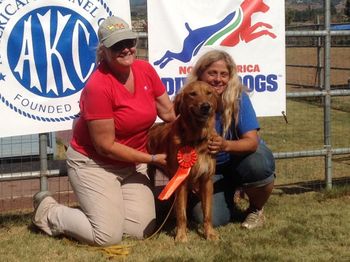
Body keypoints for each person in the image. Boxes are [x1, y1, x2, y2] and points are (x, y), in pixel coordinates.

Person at [32, 16, 176, 246]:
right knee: (107, 237)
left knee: (140, 230)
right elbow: (105, 146)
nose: (126, 49)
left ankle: (103, 211)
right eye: (117, 45)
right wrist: (151, 158)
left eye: (130, 41)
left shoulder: (146, 69)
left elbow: (169, 114)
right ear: (104, 50)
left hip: (130, 165)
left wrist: (200, 113)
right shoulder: (98, 87)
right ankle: (48, 211)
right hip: (94, 163)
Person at [186, 49, 275, 229]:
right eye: (212, 73)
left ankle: (256, 209)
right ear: (200, 74)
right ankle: (229, 194)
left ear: (230, 77)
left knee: (258, 162)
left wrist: (225, 145)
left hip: (238, 161)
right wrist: (191, 175)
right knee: (209, 218)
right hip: (211, 170)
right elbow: (180, 143)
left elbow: (251, 142)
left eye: (224, 74)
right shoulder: (188, 98)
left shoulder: (238, 98)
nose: (218, 79)